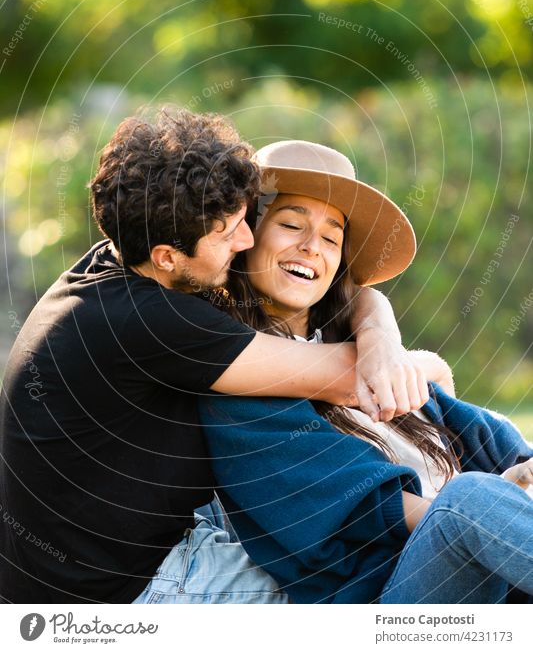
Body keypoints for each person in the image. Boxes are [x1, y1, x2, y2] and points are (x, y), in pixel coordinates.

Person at [0, 109, 434, 605]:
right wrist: (400, 350)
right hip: (121, 594)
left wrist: (373, 311)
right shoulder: (155, 322)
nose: (246, 240)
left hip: (120, 562)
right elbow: (350, 377)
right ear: (168, 255)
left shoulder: (116, 262)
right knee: (360, 593)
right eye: (229, 232)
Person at [199, 139, 533, 604]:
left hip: (492, 570)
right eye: (291, 224)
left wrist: (519, 482)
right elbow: (371, 509)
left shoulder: (366, 357)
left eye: (332, 237)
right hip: (385, 600)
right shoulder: (238, 384)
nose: (311, 246)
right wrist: (499, 503)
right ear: (246, 237)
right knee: (470, 501)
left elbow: (490, 444)